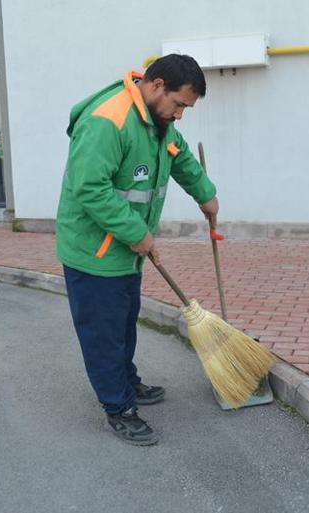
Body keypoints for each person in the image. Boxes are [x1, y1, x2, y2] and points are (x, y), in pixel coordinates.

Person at [56, 54, 219, 446]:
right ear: (157, 85)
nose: (180, 115)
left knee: (124, 322)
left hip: (125, 251)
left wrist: (207, 196)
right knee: (104, 333)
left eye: (186, 108)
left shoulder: (158, 123)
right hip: (94, 254)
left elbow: (180, 158)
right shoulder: (107, 120)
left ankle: (126, 381)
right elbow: (90, 188)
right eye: (179, 104)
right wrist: (137, 232)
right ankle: (118, 408)